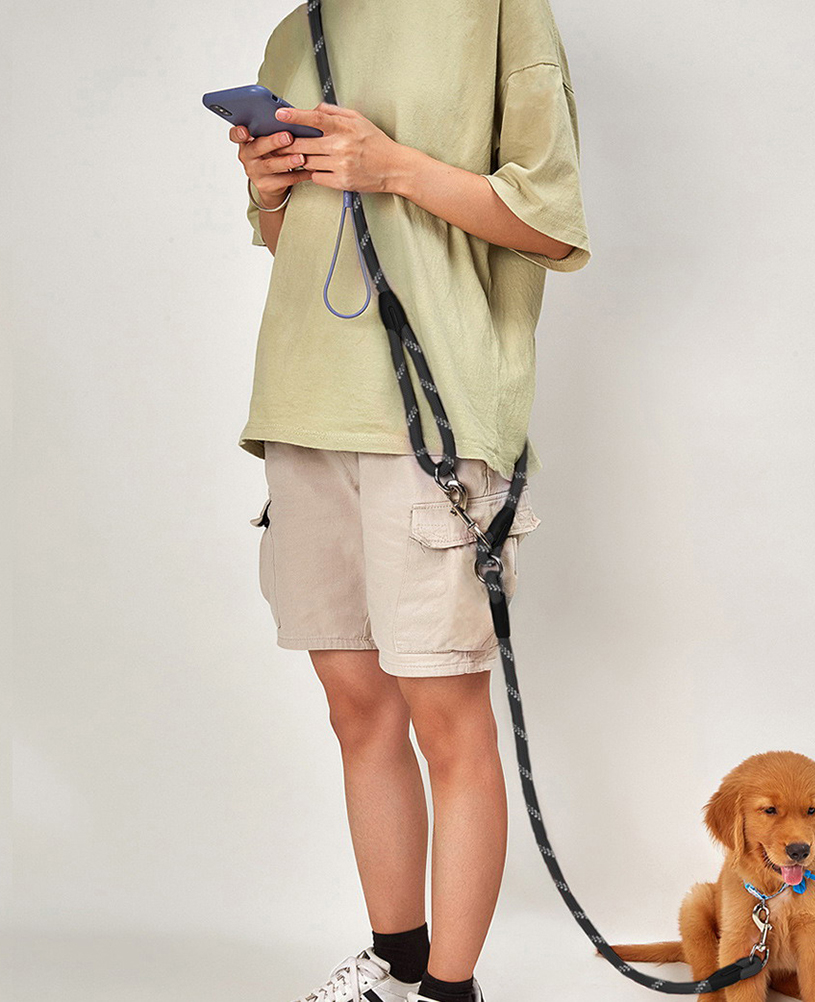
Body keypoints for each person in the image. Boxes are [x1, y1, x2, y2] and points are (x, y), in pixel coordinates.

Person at [227, 2, 590, 1000]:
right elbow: (287, 241)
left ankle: (450, 992)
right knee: (357, 711)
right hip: (303, 407)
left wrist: (393, 168)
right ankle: (396, 967)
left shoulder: (497, 11)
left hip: (431, 420)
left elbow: (551, 225)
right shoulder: (297, 30)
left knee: (447, 717)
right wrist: (269, 188)